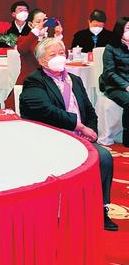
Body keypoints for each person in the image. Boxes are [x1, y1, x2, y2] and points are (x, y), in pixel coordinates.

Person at [19, 38, 117, 231]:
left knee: (104, 157)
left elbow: (89, 110)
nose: (59, 58)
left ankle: (100, 208)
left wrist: (91, 132)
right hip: (54, 136)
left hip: (81, 137)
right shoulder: (34, 81)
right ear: (42, 60)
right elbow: (45, 110)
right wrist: (78, 126)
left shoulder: (75, 80)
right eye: (53, 55)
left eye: (61, 53)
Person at [100, 16, 129, 141]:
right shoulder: (110, 48)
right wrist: (126, 86)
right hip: (115, 86)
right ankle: (127, 138)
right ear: (120, 30)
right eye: (128, 28)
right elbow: (109, 73)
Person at [16, 9, 62, 84]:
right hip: (29, 81)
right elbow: (21, 49)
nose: (42, 25)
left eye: (44, 21)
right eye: (38, 22)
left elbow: (60, 57)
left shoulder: (49, 41)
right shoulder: (23, 39)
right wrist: (36, 30)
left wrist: (58, 35)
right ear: (30, 24)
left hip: (48, 81)